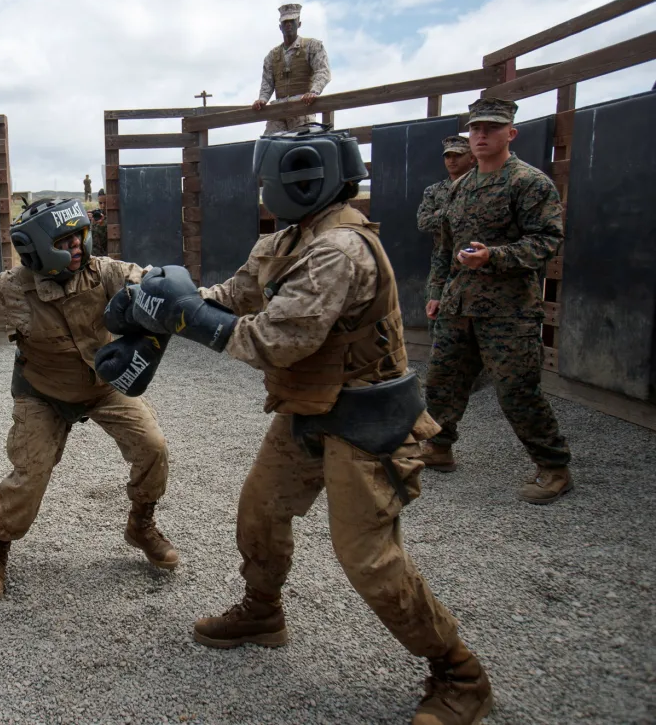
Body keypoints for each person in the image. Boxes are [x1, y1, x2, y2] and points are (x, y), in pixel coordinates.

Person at [109, 126, 492, 724]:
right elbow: (234, 295)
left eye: (268, 181)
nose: (262, 191)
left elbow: (276, 341)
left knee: (368, 557)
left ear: (300, 177)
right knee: (260, 511)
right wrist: (156, 307)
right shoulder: (290, 238)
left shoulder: (339, 249)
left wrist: (186, 321)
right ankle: (263, 611)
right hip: (309, 408)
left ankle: (460, 675)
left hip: (366, 420)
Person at [0, 197, 178, 600]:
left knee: (152, 446)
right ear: (37, 248)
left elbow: (152, 286)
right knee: (30, 473)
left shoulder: (105, 273)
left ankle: (141, 523)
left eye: (80, 238)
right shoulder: (9, 290)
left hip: (103, 386)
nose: (77, 249)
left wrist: (174, 294)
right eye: (64, 242)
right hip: (42, 392)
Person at [421, 98, 572, 504]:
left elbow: (547, 240)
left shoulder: (529, 182)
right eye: (475, 129)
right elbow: (443, 247)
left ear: (511, 133)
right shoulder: (461, 187)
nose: (481, 135)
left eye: (491, 128)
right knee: (441, 380)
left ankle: (554, 466)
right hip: (459, 304)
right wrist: (436, 293)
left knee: (516, 388)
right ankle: (438, 447)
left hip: (509, 309)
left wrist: (496, 255)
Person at [417, 135, 475, 340]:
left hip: (476, 263)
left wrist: (440, 214)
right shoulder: (434, 191)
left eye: (458, 155)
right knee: (437, 321)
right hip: (442, 263)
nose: (452, 160)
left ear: (471, 157)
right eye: (448, 156)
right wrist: (453, 214)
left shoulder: (480, 187)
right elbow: (423, 222)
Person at [253, 3, 331, 135]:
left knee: (304, 144)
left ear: (299, 24)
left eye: (292, 21)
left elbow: (323, 71)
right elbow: (267, 82)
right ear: (280, 27)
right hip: (279, 109)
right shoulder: (272, 56)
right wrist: (262, 99)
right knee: (270, 144)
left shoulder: (312, 46)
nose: (288, 25)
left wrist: (314, 92)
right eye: (285, 22)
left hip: (302, 107)